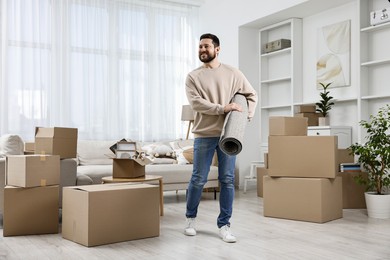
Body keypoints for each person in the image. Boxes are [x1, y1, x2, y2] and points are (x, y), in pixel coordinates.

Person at [184, 33, 258, 243]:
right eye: (200, 47)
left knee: (227, 179)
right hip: (204, 134)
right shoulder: (193, 77)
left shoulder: (233, 73)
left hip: (228, 136)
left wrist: (245, 116)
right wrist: (223, 108)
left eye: (206, 46)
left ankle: (224, 225)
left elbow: (252, 95)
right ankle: (190, 219)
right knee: (198, 178)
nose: (202, 50)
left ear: (217, 49)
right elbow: (196, 104)